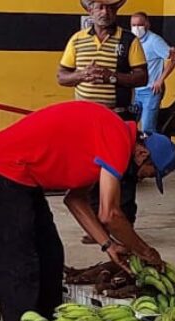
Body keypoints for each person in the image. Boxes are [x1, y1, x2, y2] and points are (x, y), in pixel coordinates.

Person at [0, 100, 175, 321]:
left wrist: (109, 245)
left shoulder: (109, 140)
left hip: (24, 176)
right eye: (149, 173)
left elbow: (75, 200)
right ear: (142, 153)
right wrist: (145, 251)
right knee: (20, 264)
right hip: (4, 168)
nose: (142, 178)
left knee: (51, 255)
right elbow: (110, 214)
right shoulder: (118, 139)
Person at [60, 0, 149, 229]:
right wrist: (81, 75)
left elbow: (142, 77)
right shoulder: (77, 40)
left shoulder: (129, 40)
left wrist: (112, 77)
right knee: (90, 173)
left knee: (123, 174)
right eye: (99, 7)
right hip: (86, 121)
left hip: (118, 119)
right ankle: (96, 228)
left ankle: (125, 227)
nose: (104, 12)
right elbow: (62, 76)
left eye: (110, 7)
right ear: (89, 10)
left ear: (116, 11)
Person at [129, 12, 175, 135]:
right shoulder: (132, 41)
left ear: (147, 25)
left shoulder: (155, 41)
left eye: (140, 25)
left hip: (150, 91)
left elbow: (173, 59)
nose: (136, 28)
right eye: (133, 25)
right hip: (135, 91)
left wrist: (160, 80)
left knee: (147, 129)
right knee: (130, 126)